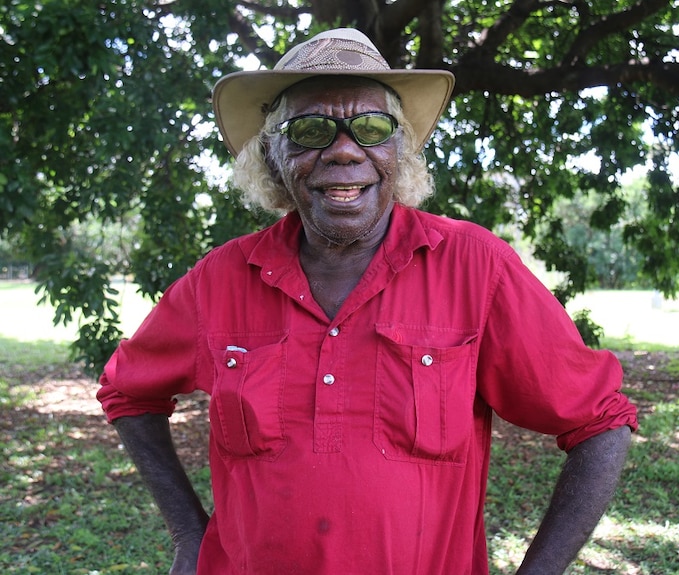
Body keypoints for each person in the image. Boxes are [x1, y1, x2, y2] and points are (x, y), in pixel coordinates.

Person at [97, 28, 638, 575]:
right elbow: (127, 390)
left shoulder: (477, 267)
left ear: (398, 152)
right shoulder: (220, 278)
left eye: (371, 127)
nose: (343, 149)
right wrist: (189, 534)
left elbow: (601, 422)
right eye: (309, 130)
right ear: (274, 155)